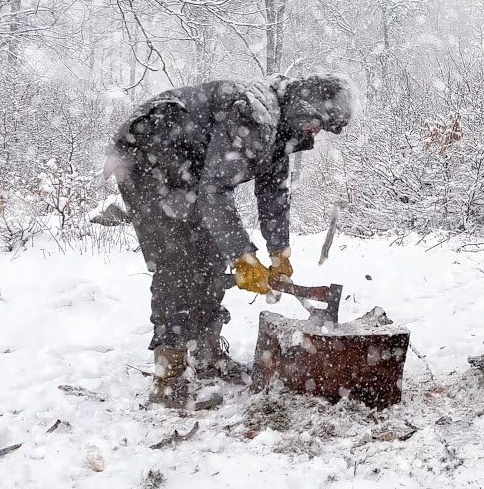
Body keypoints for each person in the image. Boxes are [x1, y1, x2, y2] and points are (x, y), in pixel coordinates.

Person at [108, 74, 353, 408]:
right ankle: (169, 376)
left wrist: (279, 251)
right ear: (303, 106)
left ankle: (207, 356)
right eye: (317, 123)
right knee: (178, 260)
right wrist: (243, 257)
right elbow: (214, 191)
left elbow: (273, 195)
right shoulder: (256, 114)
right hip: (149, 152)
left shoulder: (280, 129)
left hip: (184, 166)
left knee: (208, 253)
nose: (315, 132)